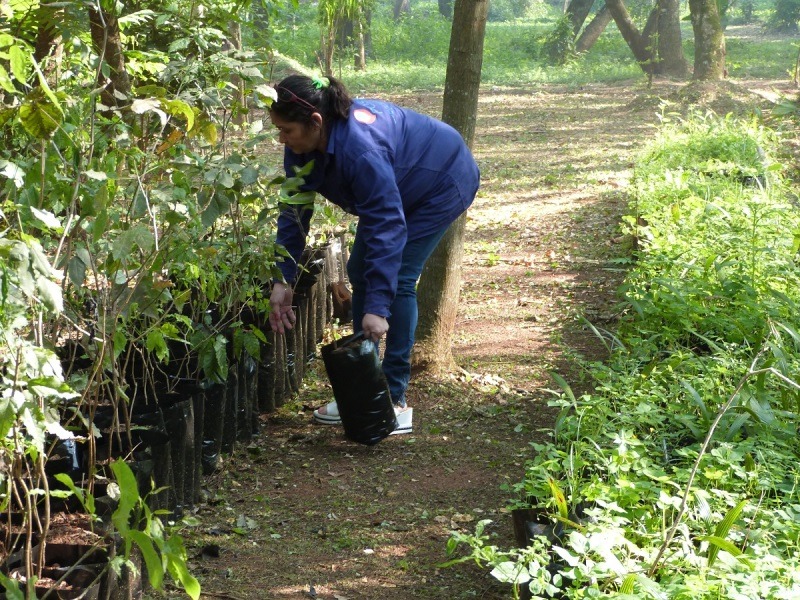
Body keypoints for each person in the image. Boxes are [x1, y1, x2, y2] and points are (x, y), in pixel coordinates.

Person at [268, 74, 480, 435]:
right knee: (359, 267)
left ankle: (392, 399)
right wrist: (283, 278)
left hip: (440, 183)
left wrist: (377, 309)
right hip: (398, 185)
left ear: (315, 122)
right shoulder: (301, 148)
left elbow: (387, 225)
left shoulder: (359, 149)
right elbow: (293, 212)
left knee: (396, 280)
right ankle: (366, 389)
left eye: (286, 130)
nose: (281, 139)